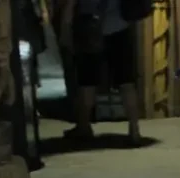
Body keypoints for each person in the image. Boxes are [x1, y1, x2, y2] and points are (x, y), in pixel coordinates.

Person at [61, 0, 142, 145]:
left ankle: (84, 127)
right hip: (120, 27)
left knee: (87, 82)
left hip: (90, 29)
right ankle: (134, 130)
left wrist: (65, 30)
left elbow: (70, 5)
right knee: (126, 82)